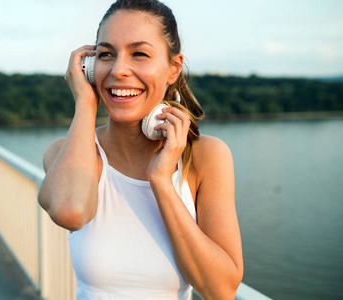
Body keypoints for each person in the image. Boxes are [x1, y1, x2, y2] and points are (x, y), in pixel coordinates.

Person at [38, 0, 243, 299]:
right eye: (106, 54)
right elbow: (71, 212)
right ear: (89, 66)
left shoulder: (205, 157)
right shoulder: (63, 153)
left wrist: (161, 180)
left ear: (173, 68)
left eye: (139, 54)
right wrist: (85, 102)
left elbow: (221, 290)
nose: (119, 69)